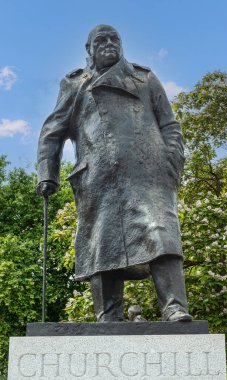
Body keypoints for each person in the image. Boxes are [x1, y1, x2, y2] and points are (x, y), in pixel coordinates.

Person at [37, 24, 192, 323]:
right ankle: (108, 316)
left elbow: (170, 125)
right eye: (101, 40)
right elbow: (51, 132)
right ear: (89, 49)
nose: (109, 44)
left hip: (149, 173)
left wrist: (171, 162)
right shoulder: (75, 84)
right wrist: (48, 173)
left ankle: (174, 307)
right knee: (102, 244)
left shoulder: (144, 79)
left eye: (114, 39)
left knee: (161, 232)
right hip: (98, 177)